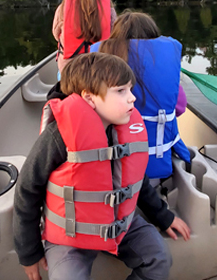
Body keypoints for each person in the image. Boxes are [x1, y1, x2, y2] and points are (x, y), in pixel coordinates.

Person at [14, 52, 190, 280]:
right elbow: (27, 190)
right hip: (69, 235)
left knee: (158, 258)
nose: (132, 98)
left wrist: (163, 216)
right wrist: (28, 252)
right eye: (121, 91)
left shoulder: (124, 129)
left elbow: (137, 181)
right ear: (89, 98)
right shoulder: (58, 136)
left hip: (119, 224)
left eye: (130, 89)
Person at [92, 12, 192, 180]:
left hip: (111, 165)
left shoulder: (101, 62)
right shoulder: (166, 62)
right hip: (156, 161)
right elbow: (180, 108)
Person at [52, 0, 116, 73]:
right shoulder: (108, 8)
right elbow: (115, 35)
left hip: (69, 68)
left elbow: (56, 34)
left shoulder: (63, 6)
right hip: (99, 68)